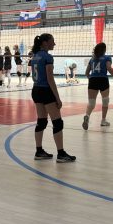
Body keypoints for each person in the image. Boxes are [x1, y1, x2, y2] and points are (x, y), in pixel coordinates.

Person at [30, 34, 75, 162]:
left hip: (36, 90)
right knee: (57, 122)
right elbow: (50, 79)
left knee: (41, 121)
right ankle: (61, 154)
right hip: (46, 91)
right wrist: (58, 98)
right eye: (52, 41)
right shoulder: (47, 57)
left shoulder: (35, 56)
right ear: (45, 43)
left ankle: (39, 151)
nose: (54, 44)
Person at [83, 42, 113, 129]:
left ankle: (87, 116)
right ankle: (103, 121)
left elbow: (86, 73)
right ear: (104, 49)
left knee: (91, 103)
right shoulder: (107, 57)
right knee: (105, 100)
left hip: (93, 80)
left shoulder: (92, 59)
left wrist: (91, 79)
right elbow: (109, 68)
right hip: (103, 80)